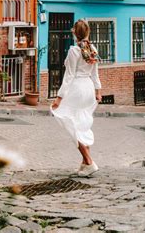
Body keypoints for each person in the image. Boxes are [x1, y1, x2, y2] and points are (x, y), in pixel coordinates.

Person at [50, 19, 102, 177]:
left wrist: (59, 97)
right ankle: (84, 165)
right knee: (82, 124)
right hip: (88, 89)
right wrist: (98, 91)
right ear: (87, 33)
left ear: (74, 33)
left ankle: (89, 161)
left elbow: (69, 75)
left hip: (77, 88)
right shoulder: (92, 48)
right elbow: (95, 73)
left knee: (71, 124)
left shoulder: (74, 50)